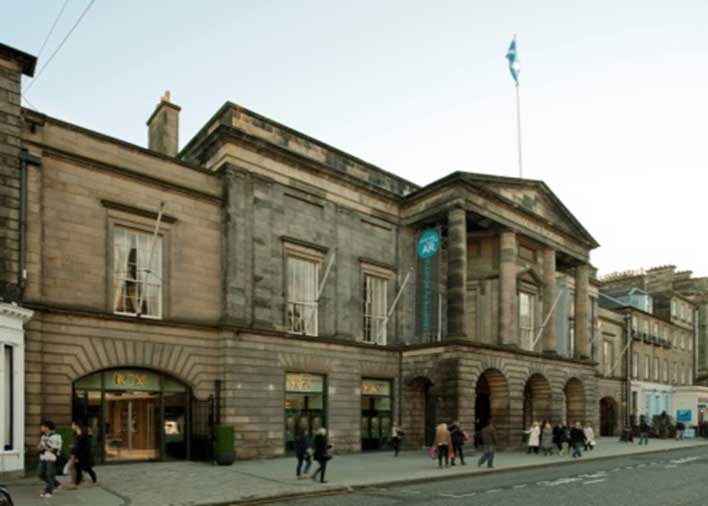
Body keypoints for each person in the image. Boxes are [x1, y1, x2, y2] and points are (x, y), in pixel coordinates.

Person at [38, 420, 63, 499]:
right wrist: (39, 447)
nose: (41, 428)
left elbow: (54, 450)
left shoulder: (56, 436)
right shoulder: (43, 436)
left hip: (51, 458)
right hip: (43, 457)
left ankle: (48, 491)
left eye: (42, 426)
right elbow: (40, 447)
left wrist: (45, 447)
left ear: (47, 427)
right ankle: (57, 484)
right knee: (41, 474)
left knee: (49, 475)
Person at [69, 421, 97, 488]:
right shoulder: (76, 434)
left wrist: (75, 451)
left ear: (77, 425)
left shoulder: (84, 434)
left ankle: (94, 480)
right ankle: (76, 484)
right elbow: (76, 445)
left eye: (73, 425)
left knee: (87, 468)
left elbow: (84, 445)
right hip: (79, 454)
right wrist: (73, 449)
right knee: (78, 468)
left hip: (84, 455)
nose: (71, 426)